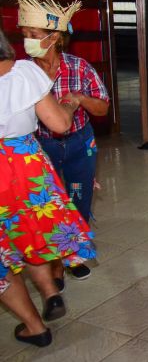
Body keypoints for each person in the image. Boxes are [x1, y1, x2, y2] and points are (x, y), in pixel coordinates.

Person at [0, 27, 96, 347]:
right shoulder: (25, 71)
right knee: (30, 229)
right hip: (25, 164)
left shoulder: (53, 66)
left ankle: (33, 326)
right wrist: (68, 106)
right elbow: (59, 124)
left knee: (5, 251)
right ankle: (51, 293)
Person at [17, 0, 108, 284]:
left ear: (54, 37)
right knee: (50, 208)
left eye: (33, 35)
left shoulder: (79, 68)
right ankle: (55, 267)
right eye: (24, 35)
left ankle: (72, 256)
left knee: (78, 201)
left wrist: (80, 99)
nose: (27, 41)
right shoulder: (21, 73)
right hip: (41, 148)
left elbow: (103, 106)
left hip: (81, 145)